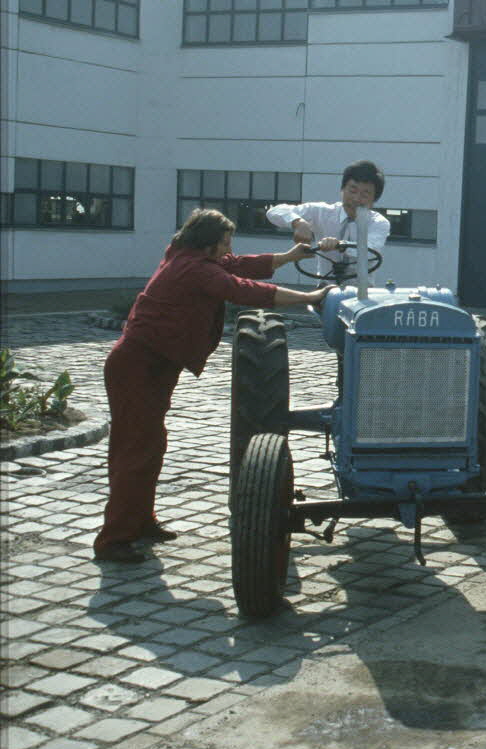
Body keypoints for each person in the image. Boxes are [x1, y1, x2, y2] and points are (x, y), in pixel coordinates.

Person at [94, 210, 329, 564]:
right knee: (135, 450)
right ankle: (114, 538)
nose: (229, 249)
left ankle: (140, 521)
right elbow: (242, 289)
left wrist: (288, 257)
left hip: (153, 364)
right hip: (138, 367)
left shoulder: (187, 255)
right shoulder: (195, 269)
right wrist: (309, 298)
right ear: (207, 244)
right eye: (224, 242)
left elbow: (236, 266)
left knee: (151, 446)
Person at [266, 159, 391, 282]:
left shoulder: (379, 223)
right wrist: (298, 222)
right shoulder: (321, 212)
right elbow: (275, 212)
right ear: (342, 189)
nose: (356, 198)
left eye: (365, 194)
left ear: (375, 199)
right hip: (325, 290)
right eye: (352, 190)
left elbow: (369, 251)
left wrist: (340, 245)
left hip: (362, 293)